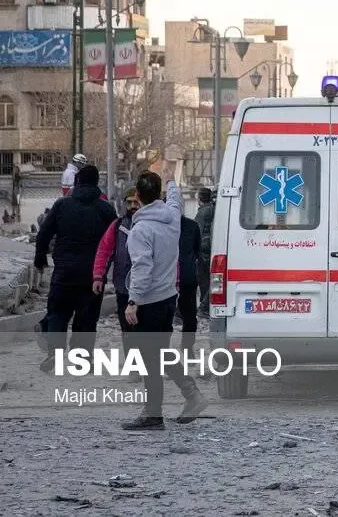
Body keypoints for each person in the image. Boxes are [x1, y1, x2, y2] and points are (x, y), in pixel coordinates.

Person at [122, 163, 208, 430]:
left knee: (150, 359)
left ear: (136, 195)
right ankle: (189, 395)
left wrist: (133, 300)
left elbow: (142, 268)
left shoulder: (141, 231)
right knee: (159, 352)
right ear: (158, 194)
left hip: (148, 301)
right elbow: (175, 199)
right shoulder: (171, 216)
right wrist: (171, 181)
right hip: (169, 296)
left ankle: (154, 413)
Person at [35, 164, 117, 372]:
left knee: (58, 312)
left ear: (77, 181)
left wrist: (40, 258)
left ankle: (55, 353)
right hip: (93, 274)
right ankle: (82, 358)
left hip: (64, 271)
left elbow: (44, 232)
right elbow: (115, 240)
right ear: (97, 183)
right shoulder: (105, 209)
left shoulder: (62, 205)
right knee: (88, 316)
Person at [93, 188, 141, 377]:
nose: (132, 207)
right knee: (128, 329)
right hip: (123, 287)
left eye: (136, 202)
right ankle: (134, 367)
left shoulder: (153, 226)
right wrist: (98, 276)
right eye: (129, 202)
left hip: (148, 289)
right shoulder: (118, 226)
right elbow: (104, 252)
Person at [177, 213, 201, 355]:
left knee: (190, 317)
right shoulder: (158, 224)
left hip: (187, 279)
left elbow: (196, 250)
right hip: (163, 280)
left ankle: (187, 347)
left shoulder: (192, 226)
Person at [194, 187, 214, 316]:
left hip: (203, 250)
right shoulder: (212, 209)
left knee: (204, 280)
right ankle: (205, 307)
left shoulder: (203, 212)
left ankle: (203, 307)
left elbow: (197, 231)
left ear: (200, 198)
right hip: (209, 248)